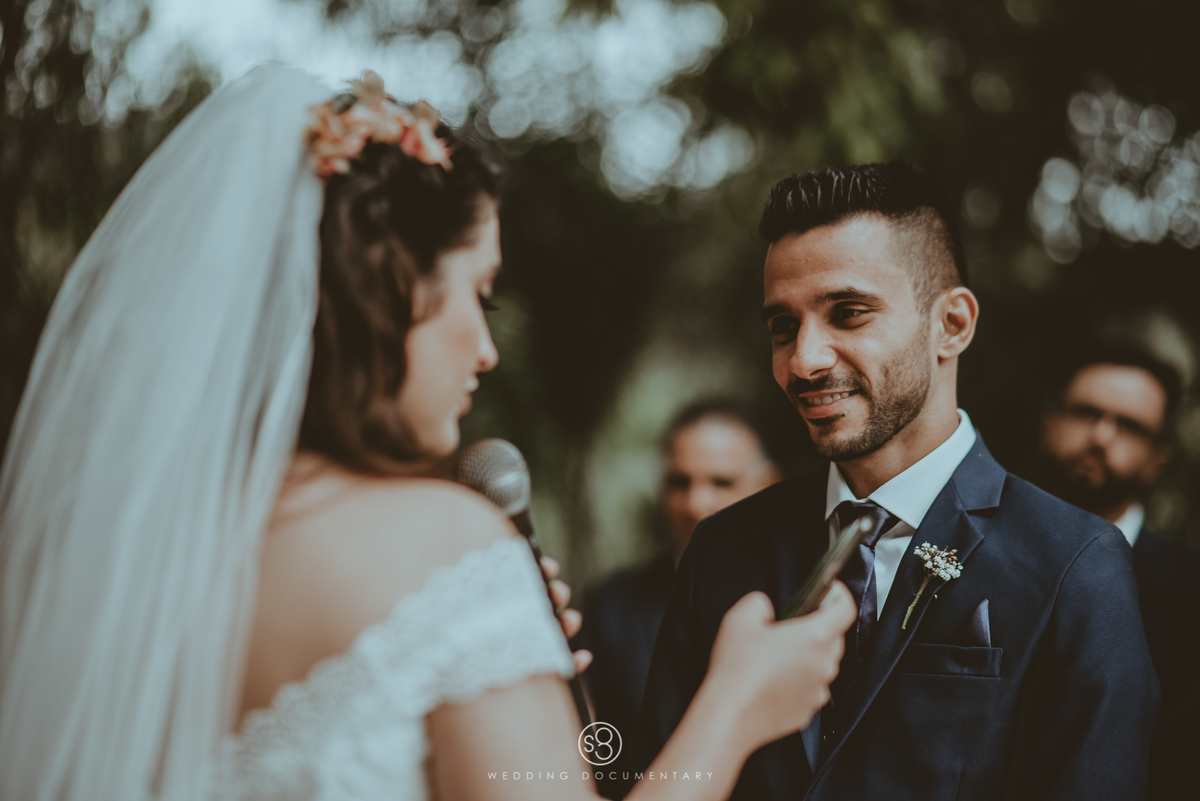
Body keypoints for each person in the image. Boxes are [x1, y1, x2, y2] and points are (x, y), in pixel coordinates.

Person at [0, 65, 856, 801]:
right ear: (392, 292)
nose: (485, 349)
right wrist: (737, 706)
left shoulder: (110, 554)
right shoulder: (444, 543)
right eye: (478, 294)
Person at [636, 161, 1160, 801]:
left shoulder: (1076, 566)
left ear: (952, 325)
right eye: (783, 327)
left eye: (848, 313)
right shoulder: (721, 551)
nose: (803, 360)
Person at [575, 398, 780, 798]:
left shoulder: (804, 596)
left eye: (721, 482)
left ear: (768, 484)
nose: (696, 503)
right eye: (679, 482)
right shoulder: (611, 605)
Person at [1039, 339, 1200, 801]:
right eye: (1086, 412)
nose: (1100, 437)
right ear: (1050, 421)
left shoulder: (1190, 593)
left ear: (1159, 457)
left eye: (1130, 426)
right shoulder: (977, 544)